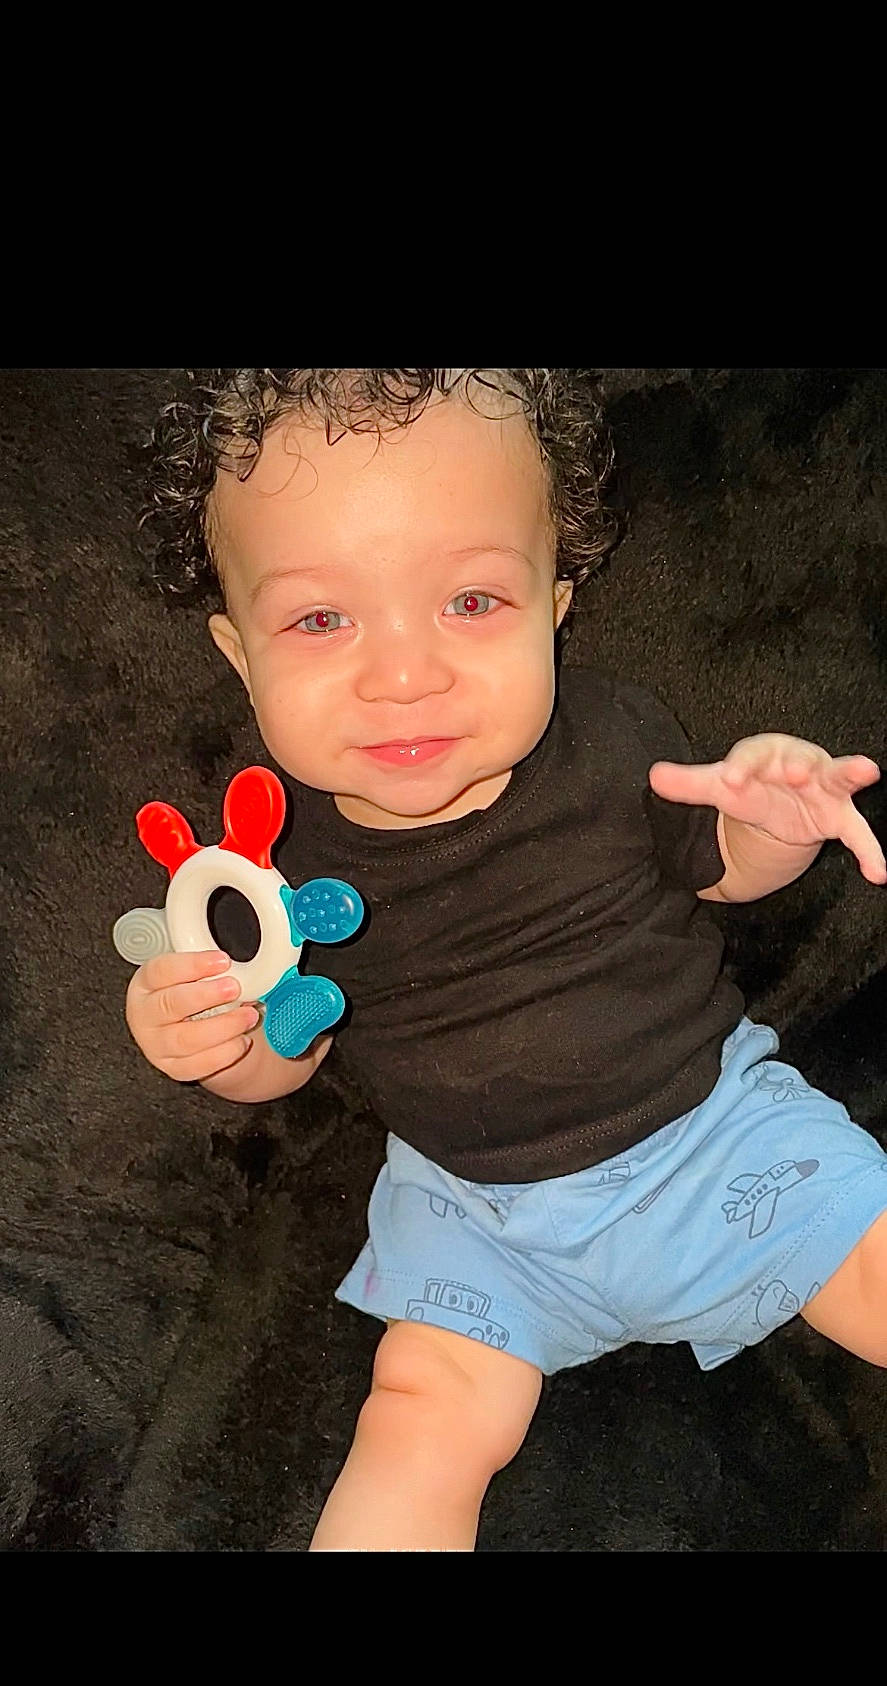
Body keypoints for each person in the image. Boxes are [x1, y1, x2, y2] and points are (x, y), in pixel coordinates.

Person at [124, 368, 887, 1552]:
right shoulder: (263, 864)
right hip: (469, 1211)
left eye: (470, 602)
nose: (402, 674)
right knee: (416, 1416)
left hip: (713, 1138)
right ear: (237, 653)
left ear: (554, 602)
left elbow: (719, 867)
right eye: (321, 619)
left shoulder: (616, 738)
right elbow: (286, 1052)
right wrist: (209, 1041)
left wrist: (769, 823)